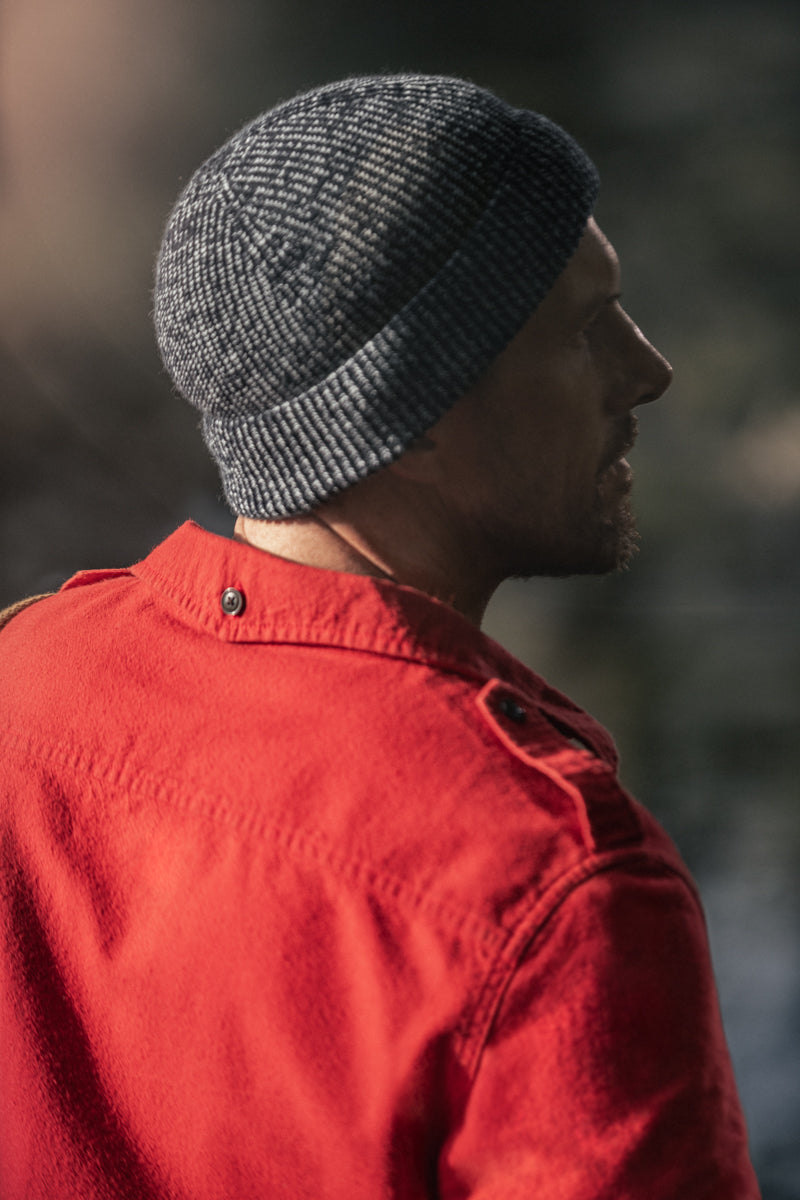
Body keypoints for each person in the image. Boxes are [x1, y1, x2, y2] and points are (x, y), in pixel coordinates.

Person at [0, 74, 760, 1198]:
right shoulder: (546, 879)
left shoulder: (25, 677)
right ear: (409, 416)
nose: (646, 373)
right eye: (581, 332)